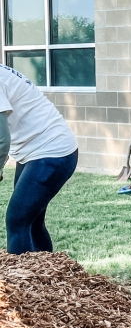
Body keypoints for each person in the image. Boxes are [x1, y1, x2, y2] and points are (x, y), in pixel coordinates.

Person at [0, 64, 79, 254]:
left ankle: (19, 282)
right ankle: (47, 279)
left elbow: (2, 139)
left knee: (17, 220)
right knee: (31, 221)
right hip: (33, 152)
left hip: (51, 151)